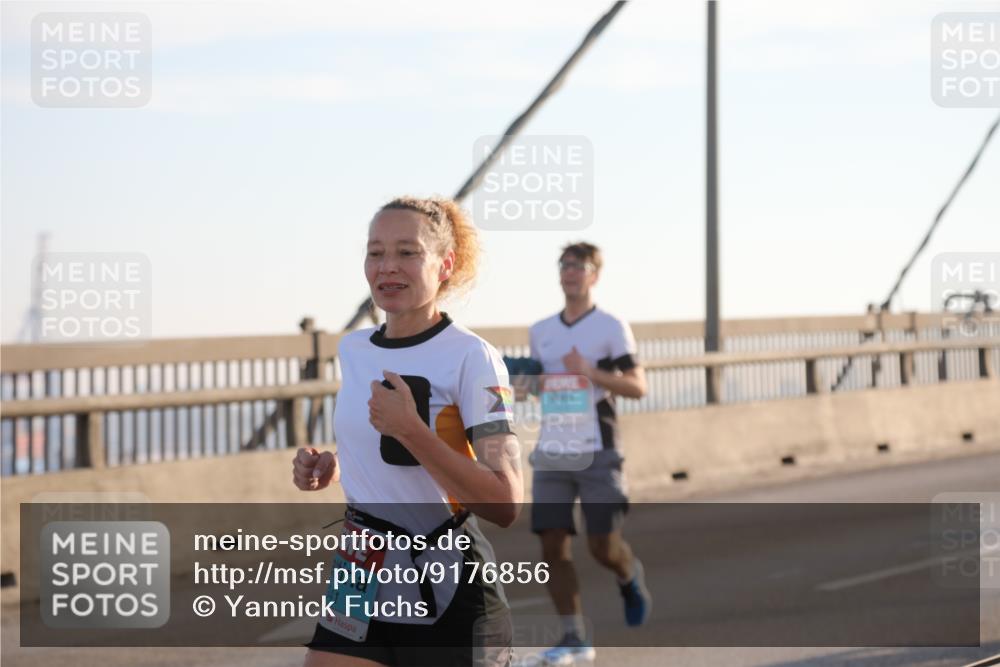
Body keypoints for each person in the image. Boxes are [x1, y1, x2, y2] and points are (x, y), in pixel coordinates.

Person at [292, 196, 523, 667]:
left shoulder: (472, 358)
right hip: (359, 568)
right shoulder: (354, 348)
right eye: (375, 253)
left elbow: (505, 502)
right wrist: (333, 466)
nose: (387, 267)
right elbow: (378, 444)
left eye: (407, 252)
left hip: (447, 583)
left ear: (444, 265)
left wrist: (413, 431)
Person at [524, 241, 651, 664]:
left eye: (578, 266)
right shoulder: (541, 330)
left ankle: (628, 573)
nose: (569, 272)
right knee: (551, 546)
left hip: (598, 449)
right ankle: (574, 635)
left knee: (602, 547)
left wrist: (591, 372)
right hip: (553, 450)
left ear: (594, 275)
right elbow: (539, 383)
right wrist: (528, 384)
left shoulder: (611, 327)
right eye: (564, 265)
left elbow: (638, 386)